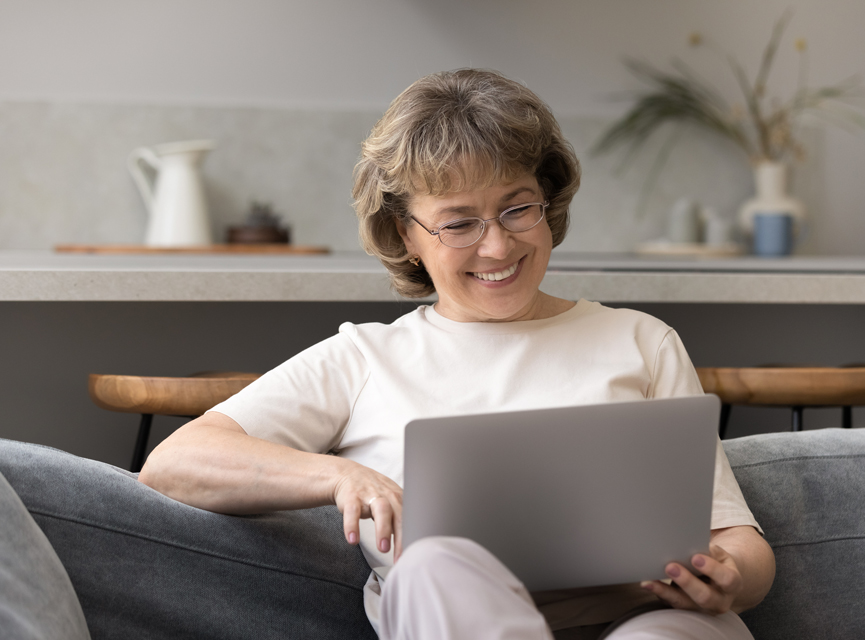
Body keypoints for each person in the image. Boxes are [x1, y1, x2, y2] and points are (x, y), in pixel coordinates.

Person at [139, 68, 775, 640]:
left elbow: (739, 543)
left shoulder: (641, 340)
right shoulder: (365, 357)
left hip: (644, 619)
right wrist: (341, 476)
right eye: (459, 222)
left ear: (548, 206)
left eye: (517, 209)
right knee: (434, 564)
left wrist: (728, 578)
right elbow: (175, 464)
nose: (497, 247)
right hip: (460, 618)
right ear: (405, 235)